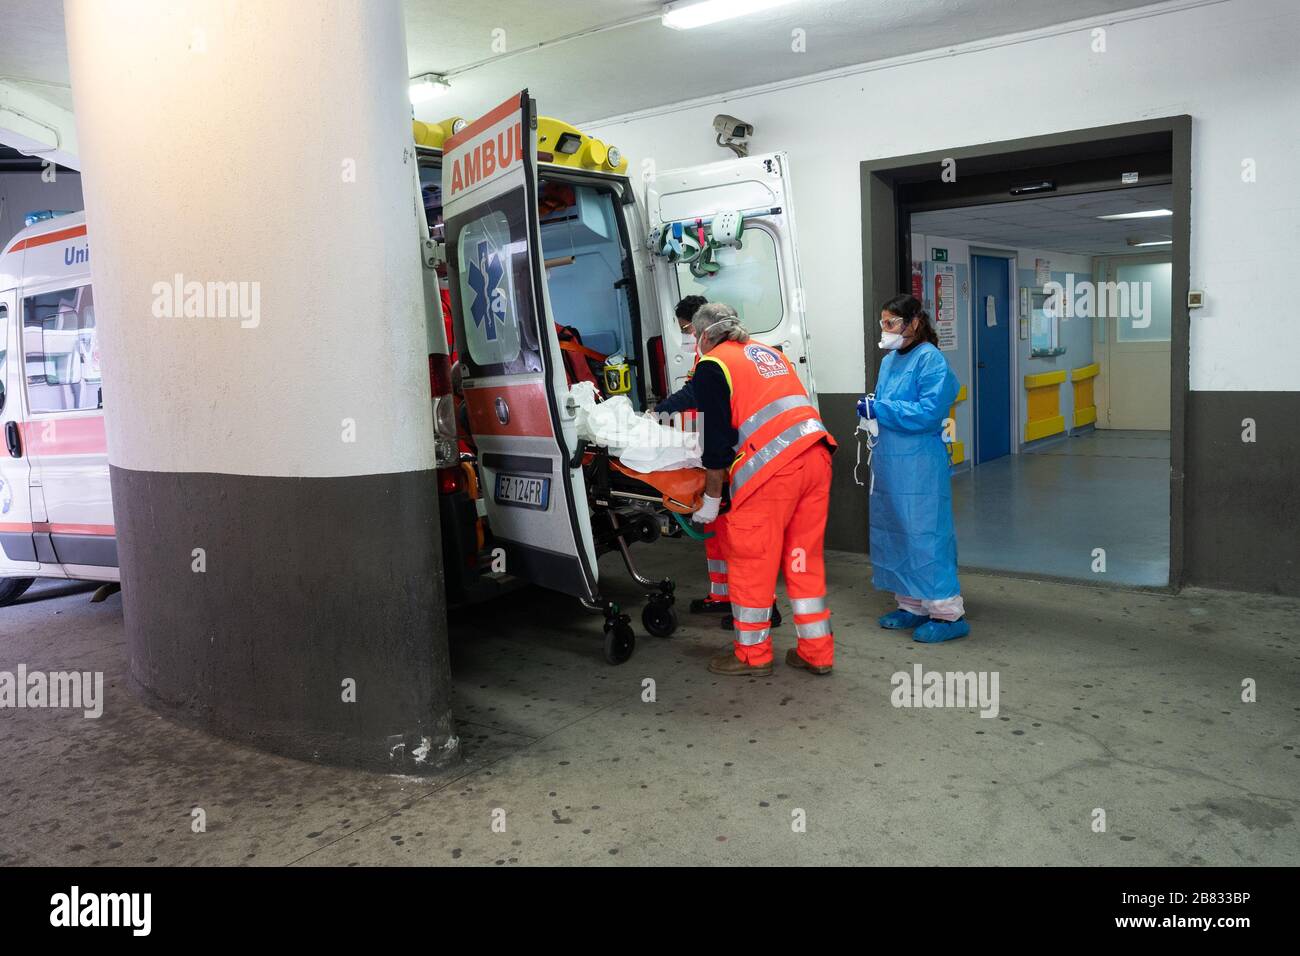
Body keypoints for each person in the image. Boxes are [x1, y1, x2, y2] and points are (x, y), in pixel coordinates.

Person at [688, 303, 835, 677]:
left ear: (704, 334)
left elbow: (717, 446)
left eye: (693, 335)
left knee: (753, 562)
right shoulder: (767, 352)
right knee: (803, 559)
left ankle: (752, 656)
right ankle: (816, 653)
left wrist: (710, 499)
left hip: (773, 474)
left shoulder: (712, 364)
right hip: (816, 459)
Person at [859, 294, 969, 643]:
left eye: (891, 322)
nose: (885, 329)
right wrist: (872, 407)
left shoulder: (930, 361)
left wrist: (882, 411)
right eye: (883, 323)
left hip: (919, 463)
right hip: (890, 461)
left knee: (925, 533)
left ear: (913, 323)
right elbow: (889, 400)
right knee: (896, 531)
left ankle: (947, 614)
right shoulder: (890, 361)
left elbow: (928, 412)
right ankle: (911, 604)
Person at [656, 295, 732, 615]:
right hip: (712, 452)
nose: (686, 336)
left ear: (701, 327)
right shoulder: (712, 358)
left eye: (687, 329)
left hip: (728, 457)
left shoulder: (716, 361)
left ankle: (745, 602)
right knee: (716, 534)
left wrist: (659, 412)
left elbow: (692, 394)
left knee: (730, 534)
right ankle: (721, 594)